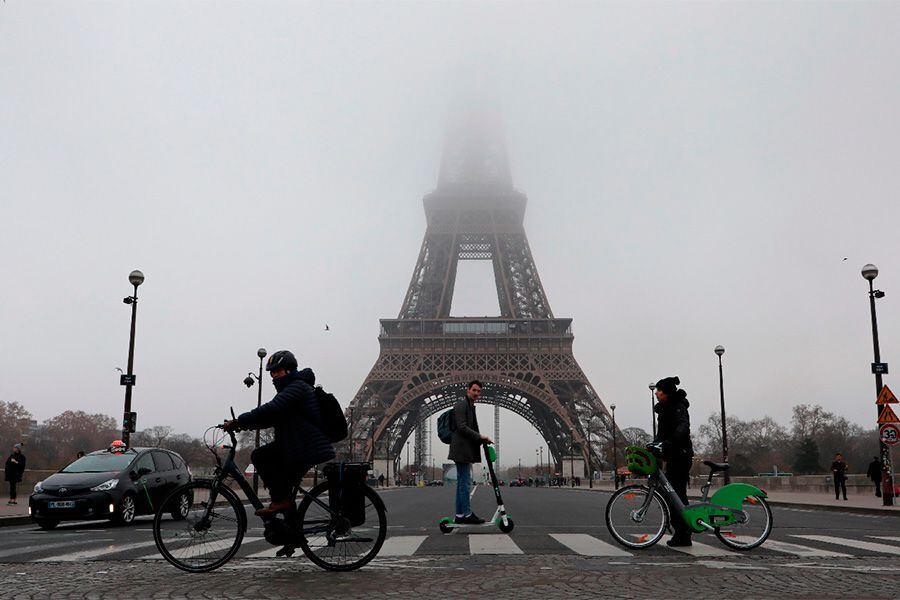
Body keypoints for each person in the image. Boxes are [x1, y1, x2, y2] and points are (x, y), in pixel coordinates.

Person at [223, 350, 334, 516]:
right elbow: (272, 418)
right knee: (285, 489)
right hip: (300, 445)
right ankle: (291, 529)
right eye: (272, 372)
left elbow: (272, 409)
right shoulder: (293, 388)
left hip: (305, 447)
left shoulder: (297, 387)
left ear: (289, 370)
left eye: (278, 371)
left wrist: (240, 420)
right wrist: (244, 425)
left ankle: (280, 502)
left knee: (260, 456)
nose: (274, 375)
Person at [653, 376, 694, 547]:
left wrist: (670, 442)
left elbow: (683, 427)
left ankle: (684, 532)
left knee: (676, 495)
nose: (656, 393)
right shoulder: (664, 409)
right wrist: (654, 446)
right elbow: (662, 433)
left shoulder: (678, 407)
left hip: (681, 455)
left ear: (667, 392)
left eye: (659, 390)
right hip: (673, 455)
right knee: (672, 495)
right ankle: (682, 530)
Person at [449, 380, 492, 524]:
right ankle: (467, 514)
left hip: (463, 449)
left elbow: (468, 428)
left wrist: (482, 439)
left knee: (462, 482)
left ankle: (460, 515)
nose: (476, 393)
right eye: (474, 390)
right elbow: (462, 427)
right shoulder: (462, 405)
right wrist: (480, 437)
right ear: (468, 390)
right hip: (461, 450)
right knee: (465, 483)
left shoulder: (470, 406)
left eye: (479, 391)